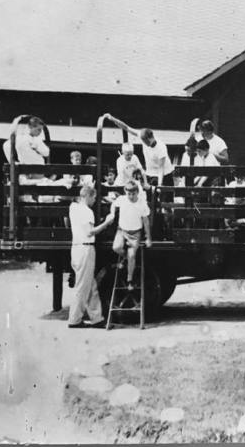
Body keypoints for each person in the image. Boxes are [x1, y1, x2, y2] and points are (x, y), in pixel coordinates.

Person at [68, 185, 114, 329]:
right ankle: (74, 319)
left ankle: (96, 318)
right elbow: (90, 232)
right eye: (93, 197)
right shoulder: (87, 211)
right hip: (85, 248)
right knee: (83, 286)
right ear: (88, 196)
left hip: (76, 248)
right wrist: (107, 222)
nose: (94, 200)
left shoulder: (73, 208)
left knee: (91, 285)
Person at [106, 115, 174, 187]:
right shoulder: (142, 136)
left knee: (163, 192)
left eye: (145, 141)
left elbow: (161, 168)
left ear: (150, 138)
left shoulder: (161, 147)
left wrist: (160, 185)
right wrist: (113, 119)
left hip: (165, 174)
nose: (144, 143)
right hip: (151, 173)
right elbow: (126, 128)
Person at [111, 180, 152, 289]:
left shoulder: (142, 203)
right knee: (116, 247)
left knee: (132, 255)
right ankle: (125, 258)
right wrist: (112, 214)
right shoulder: (122, 199)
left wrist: (148, 238)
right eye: (129, 194)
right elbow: (113, 205)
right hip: (122, 230)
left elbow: (146, 221)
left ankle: (129, 280)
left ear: (137, 192)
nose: (131, 196)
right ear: (125, 192)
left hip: (135, 233)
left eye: (133, 194)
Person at [2, 116, 50, 181]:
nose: (40, 132)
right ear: (30, 127)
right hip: (31, 170)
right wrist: (13, 162)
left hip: (34, 170)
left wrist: (36, 148)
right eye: (38, 129)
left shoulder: (36, 139)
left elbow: (46, 153)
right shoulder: (22, 138)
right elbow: (6, 146)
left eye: (41, 130)